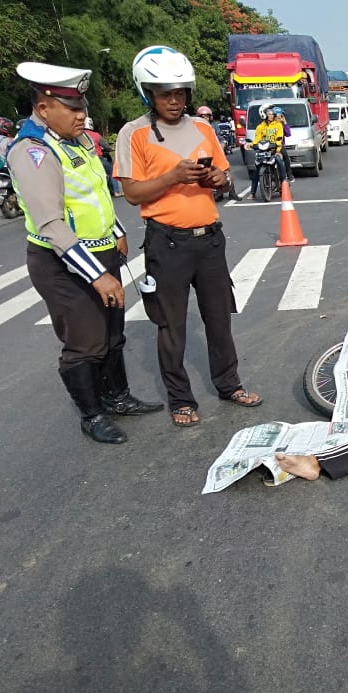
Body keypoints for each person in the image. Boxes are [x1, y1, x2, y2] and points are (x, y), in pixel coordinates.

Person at [9, 61, 163, 443]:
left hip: (102, 252)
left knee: (113, 334)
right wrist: (96, 273)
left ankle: (118, 397)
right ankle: (92, 415)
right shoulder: (34, 151)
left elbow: (93, 196)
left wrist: (116, 231)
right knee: (84, 342)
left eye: (82, 106)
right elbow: (50, 223)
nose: (83, 115)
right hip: (63, 264)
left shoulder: (76, 142)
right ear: (44, 108)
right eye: (73, 108)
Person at [115, 45, 261, 428]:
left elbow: (227, 181)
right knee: (171, 326)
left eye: (180, 93)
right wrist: (172, 177)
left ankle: (229, 384)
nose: (175, 101)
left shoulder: (203, 128)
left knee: (219, 319)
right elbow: (132, 194)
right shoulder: (135, 134)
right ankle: (181, 398)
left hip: (210, 240)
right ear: (148, 93)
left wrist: (219, 180)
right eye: (166, 94)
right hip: (168, 243)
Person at [84, 117, 121, 197]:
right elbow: (106, 146)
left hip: (86, 160)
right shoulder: (96, 135)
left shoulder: (79, 136)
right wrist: (111, 149)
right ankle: (116, 191)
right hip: (99, 158)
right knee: (111, 172)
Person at [252, 105, 288, 183]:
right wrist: (252, 144)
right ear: (264, 114)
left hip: (275, 150)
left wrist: (277, 147)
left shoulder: (278, 125)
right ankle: (252, 193)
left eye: (272, 114)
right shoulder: (259, 127)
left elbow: (279, 138)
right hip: (264, 151)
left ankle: (284, 180)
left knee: (278, 160)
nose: (272, 115)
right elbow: (257, 139)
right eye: (269, 113)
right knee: (257, 168)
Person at [271, 106, 294, 183]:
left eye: (280, 116)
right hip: (269, 146)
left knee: (286, 158)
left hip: (280, 146)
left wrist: (285, 123)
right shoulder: (270, 125)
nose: (278, 118)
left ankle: (289, 175)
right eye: (277, 116)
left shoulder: (282, 125)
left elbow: (288, 134)